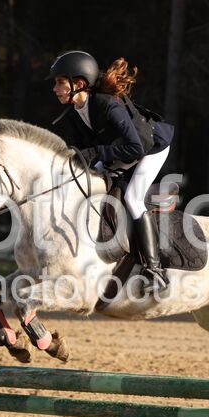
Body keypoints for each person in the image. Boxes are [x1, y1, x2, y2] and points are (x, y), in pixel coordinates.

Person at [46, 50, 175, 293]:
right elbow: (85, 150)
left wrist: (96, 153)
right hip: (123, 151)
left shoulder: (108, 106)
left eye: (60, 83)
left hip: (151, 148)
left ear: (79, 84)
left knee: (133, 199)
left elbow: (135, 148)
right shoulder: (74, 112)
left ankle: (155, 270)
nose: (55, 89)